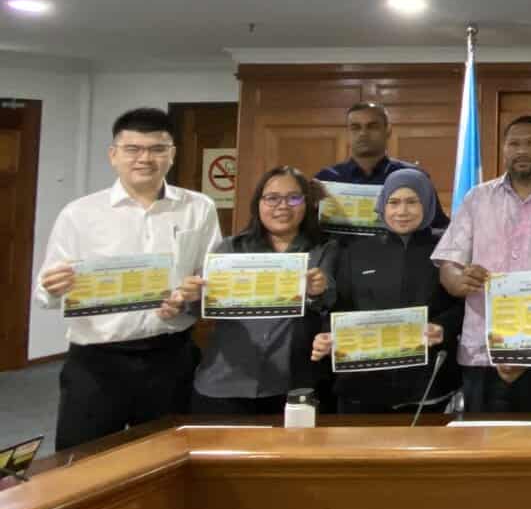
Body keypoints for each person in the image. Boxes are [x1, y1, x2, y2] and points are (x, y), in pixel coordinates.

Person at [33, 108, 222, 449]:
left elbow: (210, 278)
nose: (145, 158)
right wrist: (51, 287)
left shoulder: (199, 207)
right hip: (96, 361)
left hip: (170, 355)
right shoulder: (79, 214)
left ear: (172, 154)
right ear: (113, 155)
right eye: (133, 149)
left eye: (157, 149)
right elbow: (45, 293)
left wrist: (190, 297)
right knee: (83, 460)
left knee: (167, 456)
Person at [434, 116, 531, 413]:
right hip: (482, 352)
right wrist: (459, 280)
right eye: (514, 143)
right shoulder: (477, 198)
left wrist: (524, 349)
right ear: (504, 149)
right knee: (482, 441)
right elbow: (448, 265)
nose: (522, 150)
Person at [178, 166, 337, 414]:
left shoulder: (324, 249)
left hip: (292, 385)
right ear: (258, 204)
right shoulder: (231, 248)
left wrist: (317, 291)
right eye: (272, 198)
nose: (283, 206)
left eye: (294, 198)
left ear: (307, 203)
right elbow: (201, 309)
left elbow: (331, 304)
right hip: (225, 380)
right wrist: (194, 296)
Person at [311, 169, 462, 414]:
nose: (402, 211)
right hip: (362, 387)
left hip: (428, 387)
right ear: (382, 205)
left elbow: (465, 305)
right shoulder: (356, 252)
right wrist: (328, 335)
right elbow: (341, 307)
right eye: (394, 202)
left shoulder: (448, 248)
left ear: (427, 203)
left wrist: (444, 327)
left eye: (412, 202)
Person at [315, 102, 448, 228]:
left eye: (372, 126)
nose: (363, 133)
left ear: (388, 130)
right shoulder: (325, 178)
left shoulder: (415, 178)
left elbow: (439, 229)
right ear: (348, 133)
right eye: (355, 127)